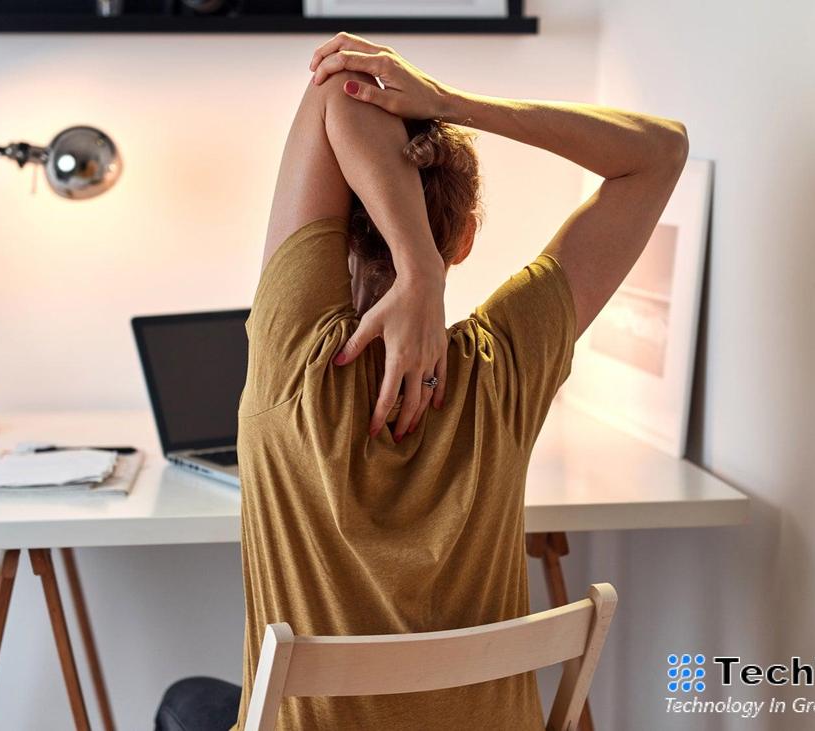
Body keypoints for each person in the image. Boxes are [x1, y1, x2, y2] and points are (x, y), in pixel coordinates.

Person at [156, 33, 688, 731]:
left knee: (185, 701)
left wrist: (415, 271)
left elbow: (335, 84)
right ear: (465, 237)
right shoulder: (508, 364)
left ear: (332, 230)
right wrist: (452, 107)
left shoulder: (292, 360)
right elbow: (660, 151)